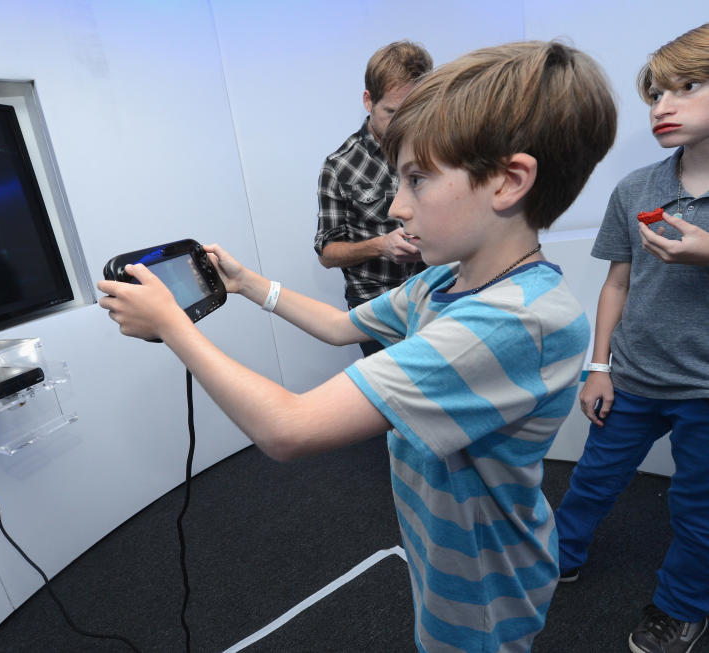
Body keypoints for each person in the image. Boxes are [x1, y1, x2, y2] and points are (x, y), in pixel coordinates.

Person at [99, 41, 616, 652]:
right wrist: (242, 284)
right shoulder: (445, 279)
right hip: (442, 546)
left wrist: (174, 327)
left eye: (417, 180)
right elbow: (343, 326)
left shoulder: (514, 322)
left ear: (508, 181)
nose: (397, 207)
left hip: (483, 581)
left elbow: (287, 429)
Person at [553, 23, 709, 653]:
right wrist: (599, 366)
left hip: (706, 392)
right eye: (654, 95)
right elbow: (616, 282)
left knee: (697, 513)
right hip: (635, 376)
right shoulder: (635, 188)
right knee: (592, 478)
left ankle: (681, 607)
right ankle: (558, 555)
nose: (661, 106)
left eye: (687, 86)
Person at [314, 41, 432, 356]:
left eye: (414, 111)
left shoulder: (439, 150)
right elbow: (327, 252)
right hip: (376, 310)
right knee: (392, 404)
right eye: (392, 112)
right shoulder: (340, 166)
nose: (404, 124)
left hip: (438, 296)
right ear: (368, 101)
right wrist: (382, 246)